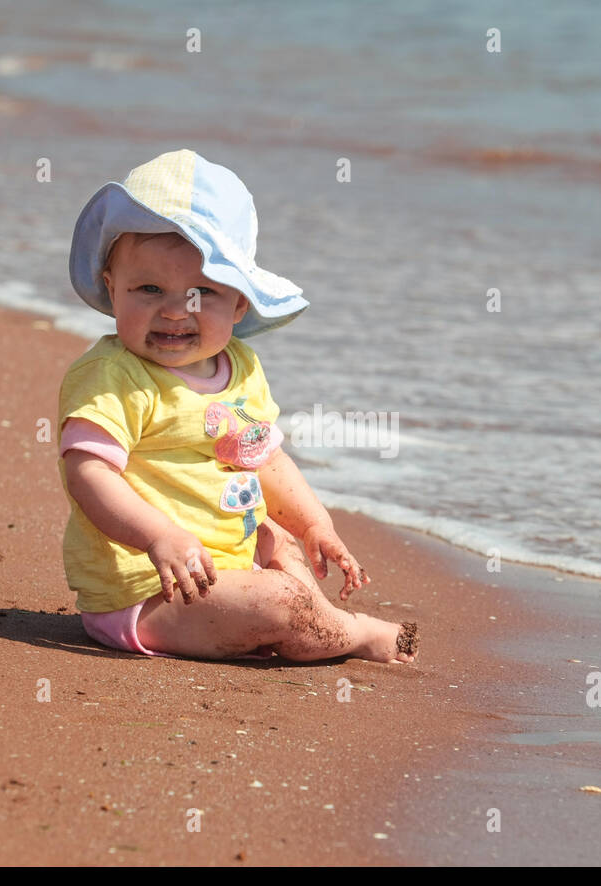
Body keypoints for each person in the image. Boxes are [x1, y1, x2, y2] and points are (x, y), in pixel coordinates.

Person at [58, 149, 418, 663]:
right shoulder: (114, 375)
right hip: (149, 591)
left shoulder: (242, 368)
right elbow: (87, 473)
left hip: (229, 566)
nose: (175, 310)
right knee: (281, 600)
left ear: (241, 303)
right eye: (149, 288)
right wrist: (158, 535)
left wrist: (315, 524)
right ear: (113, 289)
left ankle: (309, 622)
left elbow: (265, 460)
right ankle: (354, 634)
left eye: (202, 293)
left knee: (279, 543)